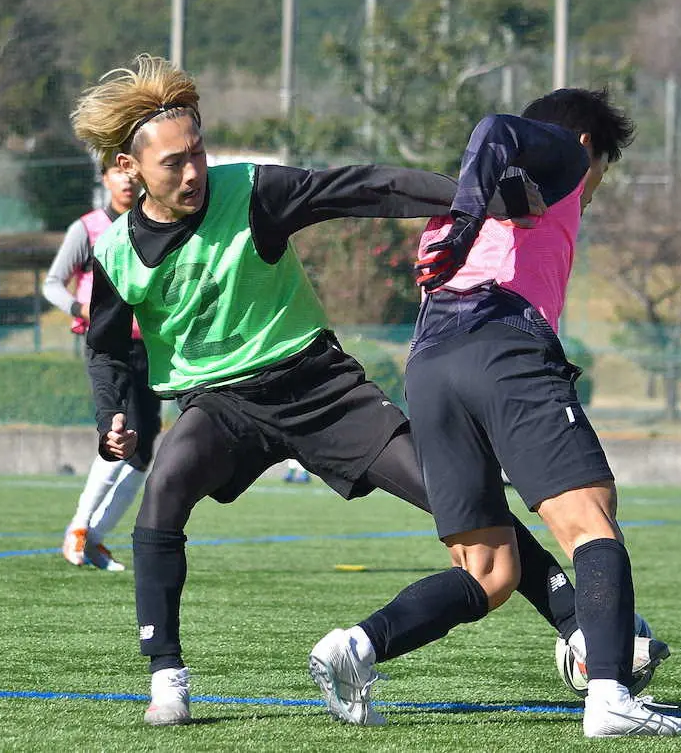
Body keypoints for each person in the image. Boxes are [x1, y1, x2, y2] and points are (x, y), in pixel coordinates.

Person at [70, 55, 651, 728]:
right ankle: (166, 676)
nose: (194, 171)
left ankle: (579, 625)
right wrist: (112, 409)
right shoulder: (112, 253)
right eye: (174, 163)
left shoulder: (250, 189)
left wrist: (473, 196)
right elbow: (107, 346)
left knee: (460, 500)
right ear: (128, 167)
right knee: (163, 490)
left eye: (198, 152)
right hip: (220, 403)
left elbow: (360, 187)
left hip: (318, 386)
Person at [309, 89, 681, 738]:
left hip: (430, 365)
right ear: (585, 148)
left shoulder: (471, 189)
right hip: (504, 341)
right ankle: (609, 694)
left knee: (490, 572)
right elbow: (496, 128)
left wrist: (460, 218)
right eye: (605, 165)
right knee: (590, 518)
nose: (596, 184)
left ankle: (354, 647)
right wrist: (468, 219)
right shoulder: (561, 161)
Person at [42, 162, 162, 572]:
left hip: (150, 345)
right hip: (107, 344)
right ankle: (79, 526)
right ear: (106, 179)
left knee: (145, 445)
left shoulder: (156, 222)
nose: (127, 179)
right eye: (116, 171)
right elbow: (52, 283)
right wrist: (81, 308)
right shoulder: (88, 228)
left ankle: (94, 539)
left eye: (132, 171)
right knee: (118, 430)